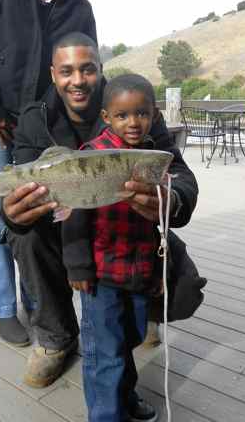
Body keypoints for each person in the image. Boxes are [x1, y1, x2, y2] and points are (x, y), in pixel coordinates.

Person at [1, 33, 199, 392]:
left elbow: (180, 172)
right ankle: (56, 336)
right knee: (20, 235)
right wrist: (12, 212)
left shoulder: (134, 104)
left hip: (128, 231)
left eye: (87, 69)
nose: (77, 81)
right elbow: (22, 187)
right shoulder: (33, 119)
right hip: (62, 226)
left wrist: (174, 201)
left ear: (100, 70)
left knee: (181, 288)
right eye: (67, 71)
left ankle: (145, 311)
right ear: (53, 74)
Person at [0, 0, 97, 345]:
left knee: (35, 208)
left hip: (41, 123)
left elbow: (83, 61)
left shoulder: (80, 8)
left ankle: (38, 305)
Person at [64, 73, 173, 422]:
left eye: (141, 113)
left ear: (154, 114)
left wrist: (158, 272)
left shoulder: (154, 157)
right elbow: (75, 213)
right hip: (100, 274)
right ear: (106, 117)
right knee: (104, 352)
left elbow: (155, 224)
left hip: (139, 269)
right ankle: (106, 415)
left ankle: (125, 397)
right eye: (123, 115)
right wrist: (78, 266)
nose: (133, 122)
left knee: (131, 339)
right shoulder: (91, 155)